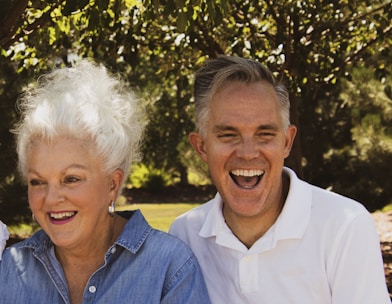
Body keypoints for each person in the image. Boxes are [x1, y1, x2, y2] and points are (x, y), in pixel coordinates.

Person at [169, 55, 390, 303]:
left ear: (286, 142)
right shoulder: (185, 235)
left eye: (265, 134)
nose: (248, 153)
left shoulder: (344, 226)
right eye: (228, 135)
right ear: (201, 147)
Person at [0, 60, 211, 304]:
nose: (51, 198)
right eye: (38, 182)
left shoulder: (169, 268)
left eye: (71, 179)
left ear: (113, 184)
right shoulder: (10, 269)